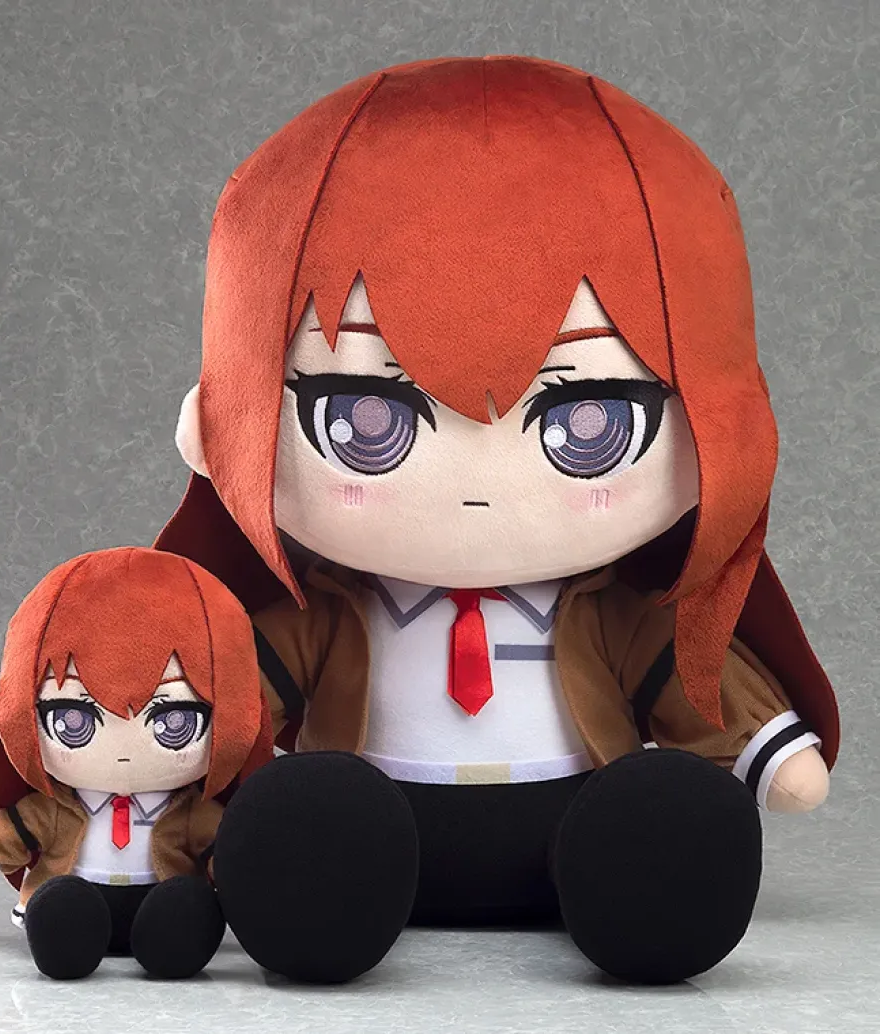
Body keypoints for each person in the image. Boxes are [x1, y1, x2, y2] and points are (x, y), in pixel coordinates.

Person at [155, 56, 840, 985]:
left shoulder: (608, 614)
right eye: (365, 418)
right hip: (363, 838)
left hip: (577, 833)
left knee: (666, 822)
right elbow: (240, 697)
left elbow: (686, 677)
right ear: (213, 427)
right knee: (302, 824)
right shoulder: (328, 615)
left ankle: (647, 895)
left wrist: (768, 750)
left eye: (589, 421)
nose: (477, 486)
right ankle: (312, 893)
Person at [0, 547, 271, 980]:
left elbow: (223, 851)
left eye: (175, 722)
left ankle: (177, 937)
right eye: (72, 720)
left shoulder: (191, 813)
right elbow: (19, 828)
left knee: (185, 908)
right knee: (62, 906)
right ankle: (63, 933)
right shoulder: (55, 807)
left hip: (161, 907)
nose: (124, 750)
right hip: (74, 900)